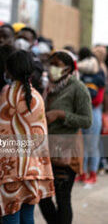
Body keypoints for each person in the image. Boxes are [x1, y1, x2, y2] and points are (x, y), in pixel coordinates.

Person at [0, 50, 54, 224]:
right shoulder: (36, 96)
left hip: (10, 169)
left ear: (9, 70)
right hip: (33, 167)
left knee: (10, 214)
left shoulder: (7, 94)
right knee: (28, 215)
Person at [39, 51, 92, 224]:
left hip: (67, 152)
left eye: (57, 65)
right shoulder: (48, 88)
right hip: (47, 149)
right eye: (51, 63)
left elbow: (86, 121)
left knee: (62, 198)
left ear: (68, 69)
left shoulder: (78, 88)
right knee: (42, 197)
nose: (52, 68)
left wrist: (60, 114)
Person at [77, 47, 105, 184]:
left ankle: (92, 174)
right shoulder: (83, 73)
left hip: (93, 110)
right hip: (84, 110)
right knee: (83, 144)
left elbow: (99, 98)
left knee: (92, 145)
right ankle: (82, 173)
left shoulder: (101, 73)